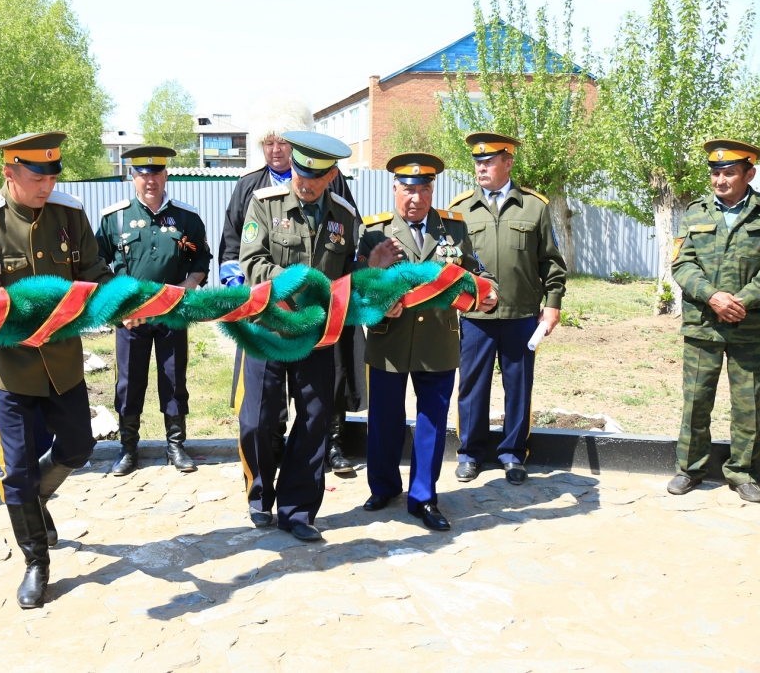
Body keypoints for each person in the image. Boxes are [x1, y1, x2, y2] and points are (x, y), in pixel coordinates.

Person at [0, 132, 114, 608]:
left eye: (53, 175)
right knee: (16, 469)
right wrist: (19, 308)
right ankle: (36, 560)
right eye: (37, 177)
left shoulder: (69, 214)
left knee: (79, 446)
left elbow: (93, 272)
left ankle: (35, 501)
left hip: (62, 360)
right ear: (10, 172)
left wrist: (119, 297)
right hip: (9, 367)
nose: (47, 185)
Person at [237, 130, 394, 541]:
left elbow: (350, 276)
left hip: (317, 337)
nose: (303, 183)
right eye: (299, 172)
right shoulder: (264, 204)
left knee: (314, 419)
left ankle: (298, 510)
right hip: (270, 329)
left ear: (331, 175)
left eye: (314, 177)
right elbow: (251, 262)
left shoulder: (344, 215)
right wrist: (294, 284)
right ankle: (259, 495)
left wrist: (371, 269)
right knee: (257, 420)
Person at [219, 98, 362, 474]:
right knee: (261, 411)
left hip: (317, 327)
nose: (276, 150)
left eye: (281, 142)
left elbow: (349, 245)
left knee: (320, 403)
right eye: (268, 143)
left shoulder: (337, 192)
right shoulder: (251, 189)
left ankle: (325, 454)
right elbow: (234, 250)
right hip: (266, 318)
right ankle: (269, 459)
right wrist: (249, 295)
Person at [358, 153, 497, 531]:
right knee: (384, 420)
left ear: (432, 190)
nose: (415, 197)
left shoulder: (453, 228)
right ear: (394, 189)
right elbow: (355, 287)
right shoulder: (374, 232)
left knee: (432, 424)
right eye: (407, 189)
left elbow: (476, 273)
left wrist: (490, 291)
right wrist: (377, 303)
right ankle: (383, 486)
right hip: (389, 342)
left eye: (423, 189)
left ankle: (424, 497)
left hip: (438, 341)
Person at [450, 132, 567, 485]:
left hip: (522, 315)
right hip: (476, 318)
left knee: (518, 386)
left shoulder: (535, 206)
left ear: (508, 162)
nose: (481, 167)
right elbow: (450, 266)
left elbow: (551, 263)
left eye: (488, 161)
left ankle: (513, 454)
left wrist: (553, 306)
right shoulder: (459, 209)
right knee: (472, 386)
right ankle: (471, 453)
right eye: (477, 161)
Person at [96, 146, 212, 476]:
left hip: (172, 314)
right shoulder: (113, 218)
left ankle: (175, 445)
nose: (150, 180)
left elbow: (201, 259)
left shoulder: (186, 218)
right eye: (142, 174)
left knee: (173, 378)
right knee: (129, 382)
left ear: (165, 175)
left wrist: (187, 287)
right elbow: (94, 262)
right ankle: (128, 448)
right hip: (131, 318)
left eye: (156, 173)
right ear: (132, 177)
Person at [668, 139, 760, 502]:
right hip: (703, 324)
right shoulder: (694, 212)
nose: (720, 180)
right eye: (716, 173)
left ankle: (743, 472)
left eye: (729, 173)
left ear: (749, 173)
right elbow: (682, 264)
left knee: (749, 404)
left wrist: (743, 301)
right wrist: (713, 296)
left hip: (749, 326)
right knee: (696, 400)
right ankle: (689, 469)